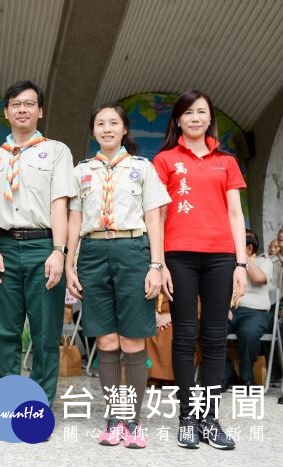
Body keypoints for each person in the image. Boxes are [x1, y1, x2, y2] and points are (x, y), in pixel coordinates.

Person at [65, 103, 170, 449]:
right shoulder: (82, 171)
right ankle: (114, 418)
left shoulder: (143, 168)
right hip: (93, 252)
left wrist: (157, 265)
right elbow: (76, 220)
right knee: (106, 340)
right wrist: (70, 263)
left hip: (133, 250)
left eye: (114, 123)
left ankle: (134, 421)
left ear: (125, 129)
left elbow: (154, 218)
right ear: (93, 130)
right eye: (100, 123)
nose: (107, 128)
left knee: (133, 339)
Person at [153, 89, 247, 450]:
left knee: (214, 338)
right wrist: (158, 263)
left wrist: (241, 263)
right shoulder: (164, 160)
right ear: (177, 120)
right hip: (179, 257)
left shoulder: (227, 161)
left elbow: (236, 215)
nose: (195, 118)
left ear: (210, 119)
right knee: (183, 337)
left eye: (201, 112)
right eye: (188, 112)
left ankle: (210, 419)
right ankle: (187, 418)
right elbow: (158, 215)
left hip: (221, 257)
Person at [0, 80, 74, 412]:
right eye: (16, 104)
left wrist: (58, 252)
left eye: (30, 104)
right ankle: (6, 405)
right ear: (6, 112)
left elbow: (60, 204)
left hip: (42, 248)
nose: (23, 109)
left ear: (40, 110)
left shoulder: (56, 151)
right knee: (3, 334)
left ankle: (38, 406)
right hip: (4, 249)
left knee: (45, 334)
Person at [222, 229, 273, 389]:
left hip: (255, 312)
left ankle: (246, 376)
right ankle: (227, 374)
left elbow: (259, 278)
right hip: (229, 309)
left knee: (249, 333)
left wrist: (242, 257)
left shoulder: (264, 261)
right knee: (210, 328)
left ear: (249, 248)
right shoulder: (227, 262)